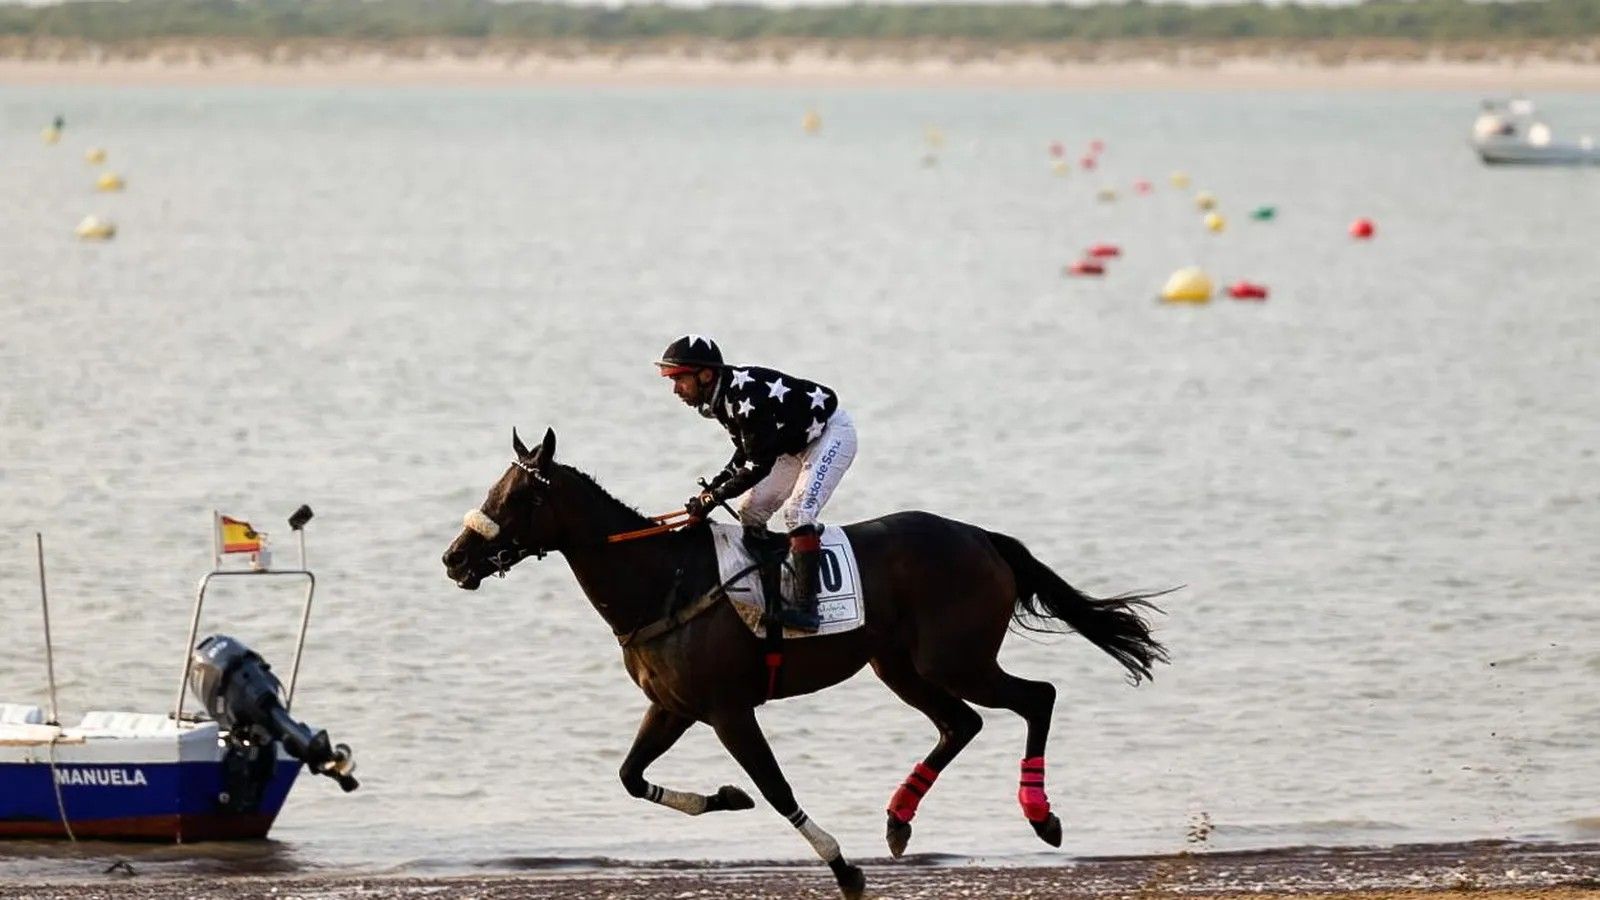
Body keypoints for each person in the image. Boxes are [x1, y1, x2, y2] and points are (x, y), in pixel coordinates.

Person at [657, 334, 857, 632]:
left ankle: (807, 609)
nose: (675, 390)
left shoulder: (741, 399)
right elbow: (747, 452)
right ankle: (774, 581)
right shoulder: (722, 396)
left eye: (680, 379)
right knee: (750, 511)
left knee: (797, 512)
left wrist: (710, 501)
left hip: (830, 435)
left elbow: (757, 466)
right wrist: (711, 490)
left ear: (706, 374)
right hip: (790, 444)